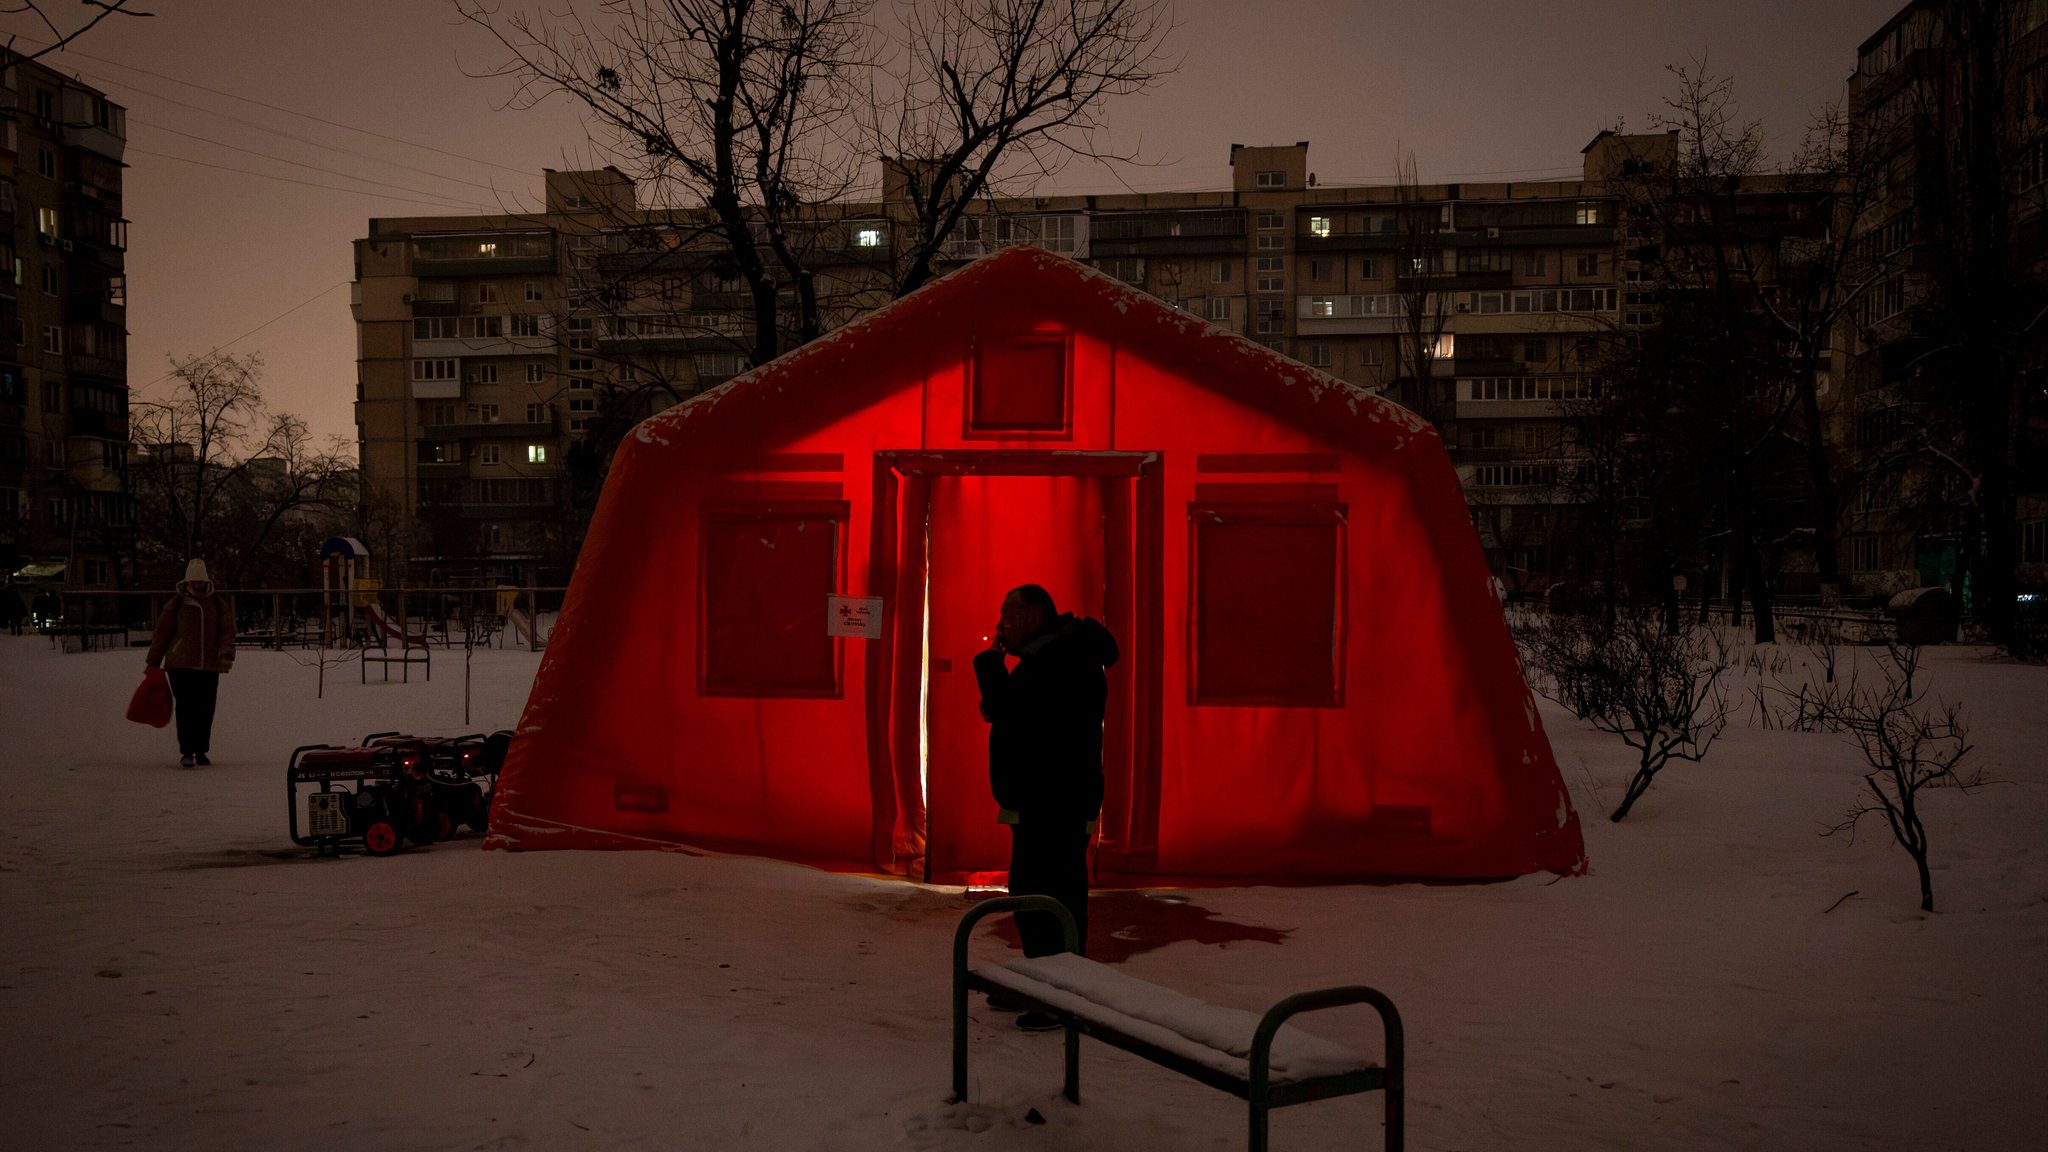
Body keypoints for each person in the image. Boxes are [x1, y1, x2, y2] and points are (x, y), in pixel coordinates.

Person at [973, 583, 1118, 1031]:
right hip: (1043, 797)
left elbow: (1014, 713)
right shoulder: (1053, 654)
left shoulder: (1060, 659)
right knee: (1033, 891)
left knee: (1054, 895)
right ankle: (1042, 982)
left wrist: (991, 671)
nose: (1002, 629)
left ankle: (1062, 996)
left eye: (1008, 620)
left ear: (1034, 619)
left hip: (1057, 799)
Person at [145, 559, 236, 767]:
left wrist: (225, 653)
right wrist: (153, 662)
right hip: (180, 665)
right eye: (193, 581)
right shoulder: (176, 603)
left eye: (200, 581)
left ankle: (201, 749)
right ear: (187, 581)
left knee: (205, 709)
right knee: (186, 708)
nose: (197, 585)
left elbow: (227, 631)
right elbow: (162, 633)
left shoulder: (217, 603)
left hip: (208, 666)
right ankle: (187, 751)